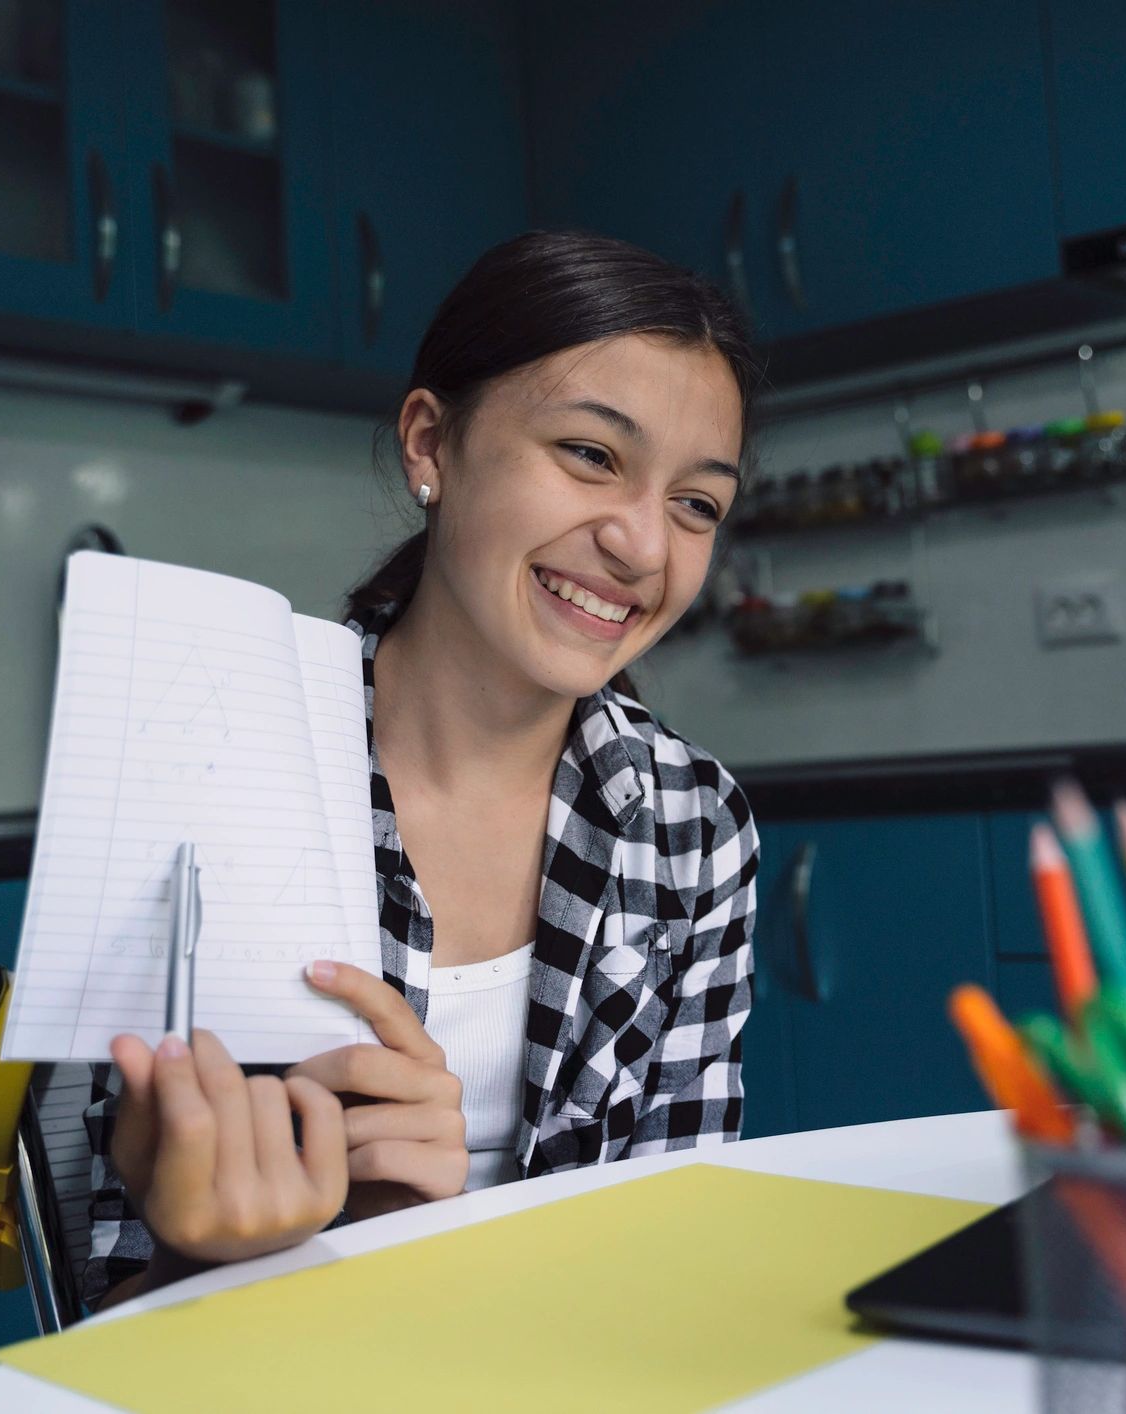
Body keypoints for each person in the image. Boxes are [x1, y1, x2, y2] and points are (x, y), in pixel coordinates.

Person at [80, 231, 763, 1308]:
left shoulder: (690, 821)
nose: (642, 544)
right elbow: (110, 1304)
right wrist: (226, 1247)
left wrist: (436, 1250)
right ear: (431, 443)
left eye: (697, 503)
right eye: (591, 453)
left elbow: (679, 1255)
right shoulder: (215, 768)